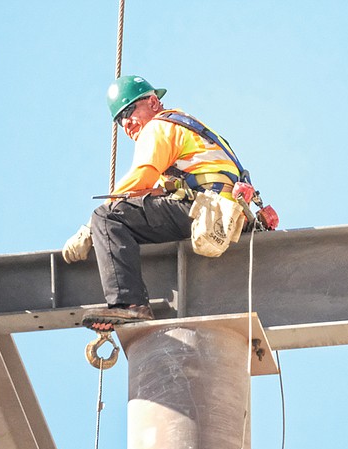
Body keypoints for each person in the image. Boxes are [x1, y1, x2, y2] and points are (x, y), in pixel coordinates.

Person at [62, 75, 247, 329]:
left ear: (152, 102)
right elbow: (155, 191)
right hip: (223, 213)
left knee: (107, 217)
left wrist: (90, 228)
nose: (126, 123)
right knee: (128, 215)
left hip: (203, 209)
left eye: (128, 110)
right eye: (119, 120)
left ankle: (129, 305)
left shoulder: (159, 127)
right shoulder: (186, 129)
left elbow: (141, 177)